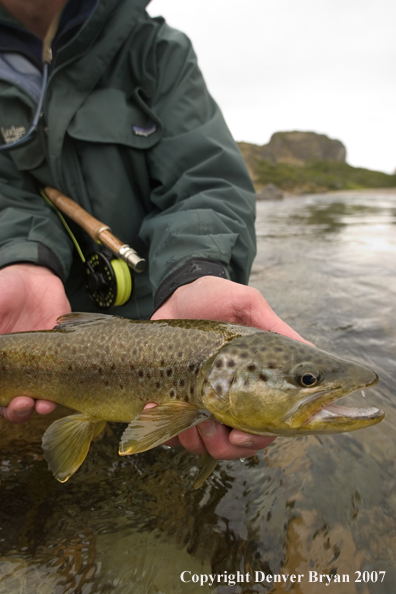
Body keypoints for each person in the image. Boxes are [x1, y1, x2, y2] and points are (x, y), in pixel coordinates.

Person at [0, 0, 307, 461]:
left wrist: (194, 272)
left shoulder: (156, 51)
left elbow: (205, 180)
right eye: (307, 381)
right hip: (41, 319)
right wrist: (20, 256)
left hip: (163, 312)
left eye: (308, 381)